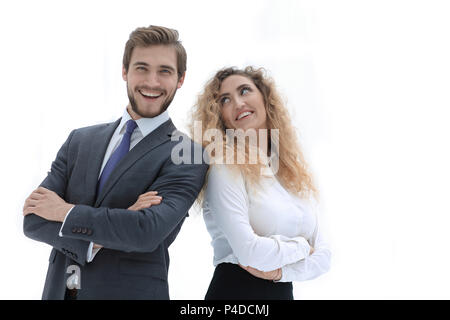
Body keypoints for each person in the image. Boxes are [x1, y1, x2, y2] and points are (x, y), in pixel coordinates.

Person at [22, 25, 209, 300]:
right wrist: (118, 223)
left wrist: (65, 211)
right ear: (125, 71)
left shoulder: (188, 154)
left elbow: (145, 231)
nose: (152, 82)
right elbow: (34, 219)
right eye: (142, 68)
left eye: (165, 71)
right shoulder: (79, 140)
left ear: (180, 79)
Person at [189, 66, 331, 300]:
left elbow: (325, 256)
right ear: (220, 116)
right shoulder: (225, 168)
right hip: (235, 294)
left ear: (265, 98)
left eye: (244, 91)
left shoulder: (291, 172)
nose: (238, 102)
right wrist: (303, 247)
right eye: (225, 99)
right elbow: (249, 252)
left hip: (282, 291)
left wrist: (280, 272)